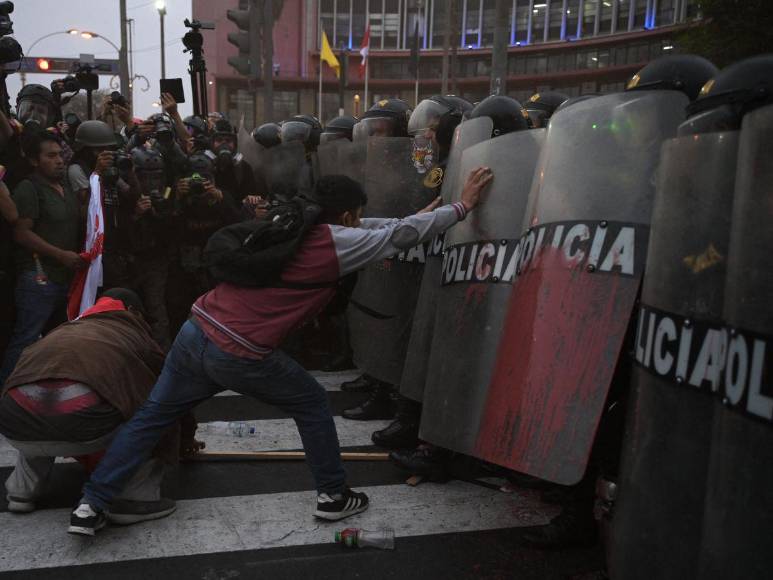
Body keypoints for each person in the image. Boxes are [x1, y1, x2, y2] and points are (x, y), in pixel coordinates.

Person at [69, 167, 494, 536]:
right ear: (346, 215)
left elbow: (379, 229)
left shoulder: (288, 221)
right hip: (238, 349)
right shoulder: (334, 243)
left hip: (196, 329)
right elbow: (395, 237)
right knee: (311, 403)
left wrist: (418, 217)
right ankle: (332, 495)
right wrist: (462, 207)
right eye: (356, 215)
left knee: (151, 418)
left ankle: (91, 504)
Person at [0, 288, 176, 528]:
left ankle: (21, 491)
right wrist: (182, 439)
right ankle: (133, 499)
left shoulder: (60, 331)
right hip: (84, 427)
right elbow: (169, 395)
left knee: (35, 404)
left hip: (15, 423)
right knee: (151, 420)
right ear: (133, 312)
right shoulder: (135, 336)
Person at [0, 133, 85, 385]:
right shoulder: (30, 188)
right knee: (26, 339)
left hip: (65, 279)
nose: (59, 161)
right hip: (38, 279)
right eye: (50, 156)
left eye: (60, 155)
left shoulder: (65, 187)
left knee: (58, 342)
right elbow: (22, 233)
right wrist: (60, 255)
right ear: (35, 161)